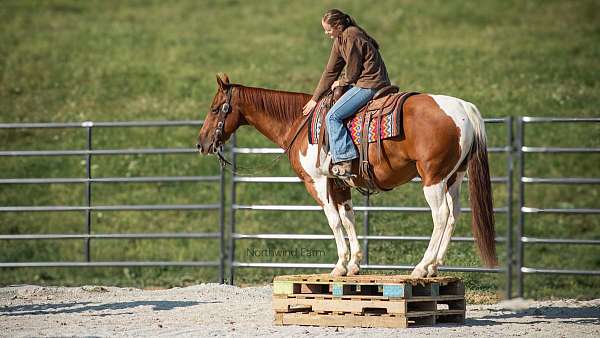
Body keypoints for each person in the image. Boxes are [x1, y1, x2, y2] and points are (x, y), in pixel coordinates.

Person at [302, 9, 391, 177]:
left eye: (328, 29)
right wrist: (315, 98)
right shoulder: (340, 39)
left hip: (370, 84)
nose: (326, 33)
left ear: (337, 25)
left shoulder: (351, 35)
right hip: (363, 82)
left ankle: (344, 160)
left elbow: (352, 71)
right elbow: (330, 71)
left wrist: (341, 82)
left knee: (332, 117)